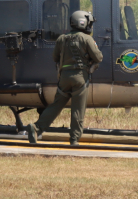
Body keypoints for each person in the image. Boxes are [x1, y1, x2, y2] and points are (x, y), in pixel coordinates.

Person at [27, 9, 103, 147]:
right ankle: (74, 140)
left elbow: (55, 57)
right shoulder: (87, 39)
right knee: (78, 109)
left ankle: (37, 128)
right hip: (80, 77)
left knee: (56, 105)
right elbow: (98, 57)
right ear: (83, 22)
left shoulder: (62, 38)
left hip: (64, 77)